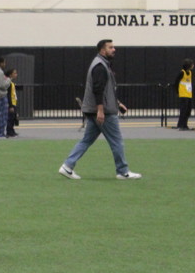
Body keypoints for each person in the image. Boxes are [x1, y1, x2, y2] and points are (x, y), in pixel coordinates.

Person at [59, 40, 142, 180]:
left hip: (95, 110)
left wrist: (117, 103)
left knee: (86, 140)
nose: (114, 49)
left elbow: (105, 90)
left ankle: (67, 166)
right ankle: (123, 171)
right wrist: (101, 111)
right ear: (102, 50)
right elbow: (98, 90)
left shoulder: (101, 64)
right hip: (103, 112)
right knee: (116, 141)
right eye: (111, 47)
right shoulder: (100, 66)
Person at [174, 58, 194, 131]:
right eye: (192, 64)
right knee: (183, 111)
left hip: (189, 94)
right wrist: (177, 92)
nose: (193, 65)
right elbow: (176, 82)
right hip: (183, 94)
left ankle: (185, 124)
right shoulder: (182, 73)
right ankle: (180, 125)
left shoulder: (190, 73)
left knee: (188, 111)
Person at [5, 68, 20, 138]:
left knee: (13, 117)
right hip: (11, 103)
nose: (16, 74)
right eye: (14, 73)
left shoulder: (12, 83)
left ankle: (12, 130)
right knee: (10, 118)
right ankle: (9, 132)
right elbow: (8, 94)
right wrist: (10, 105)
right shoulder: (9, 83)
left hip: (14, 102)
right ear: (10, 74)